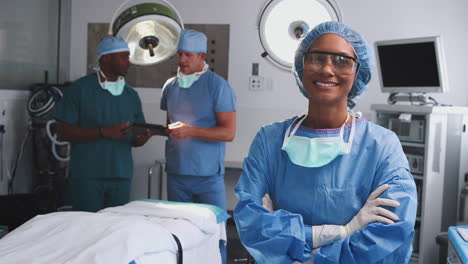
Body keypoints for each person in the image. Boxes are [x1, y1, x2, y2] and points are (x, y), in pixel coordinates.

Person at [234, 21, 417, 264]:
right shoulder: (269, 141)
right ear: (301, 65)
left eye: (342, 60)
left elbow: (389, 237)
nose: (327, 69)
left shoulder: (382, 147)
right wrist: (343, 231)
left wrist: (296, 248)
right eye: (317, 58)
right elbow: (252, 222)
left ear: (357, 72)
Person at [160, 29, 236, 263]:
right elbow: (169, 124)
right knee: (178, 237)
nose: (182, 60)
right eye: (180, 54)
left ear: (202, 56)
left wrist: (191, 130)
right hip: (177, 173)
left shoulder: (218, 87)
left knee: (214, 235)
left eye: (188, 56)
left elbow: (228, 132)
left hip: (207, 176)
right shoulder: (170, 86)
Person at [54, 37, 151, 212]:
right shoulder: (79, 90)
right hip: (87, 177)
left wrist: (141, 138)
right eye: (123, 57)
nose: (128, 62)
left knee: (114, 231)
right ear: (106, 58)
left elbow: (135, 136)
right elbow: (63, 133)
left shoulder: (131, 95)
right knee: (88, 230)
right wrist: (103, 132)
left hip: (121, 176)